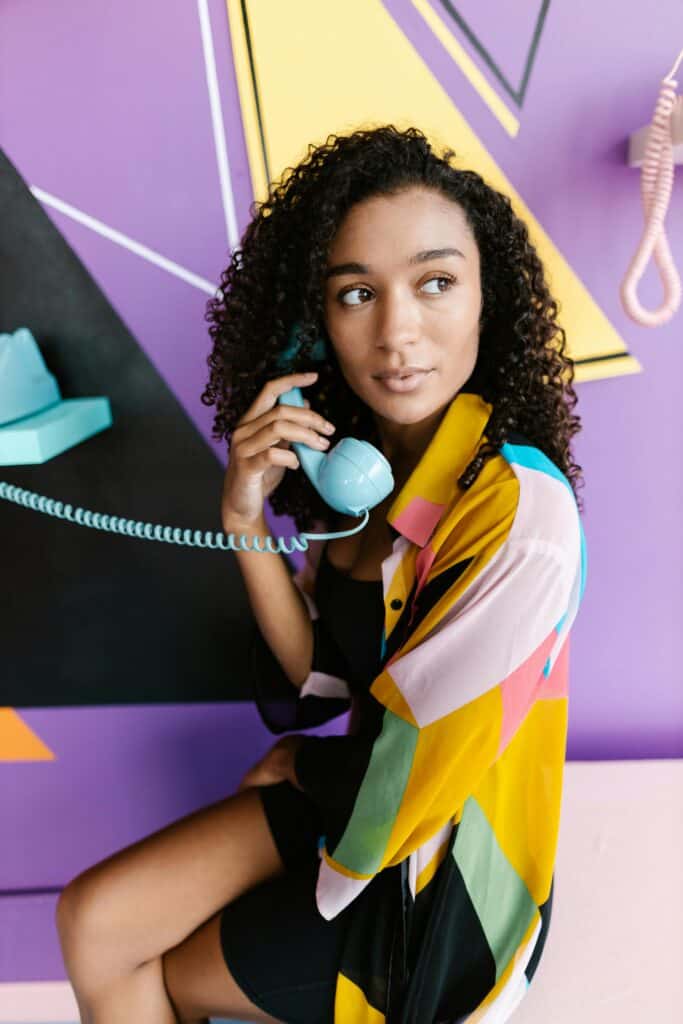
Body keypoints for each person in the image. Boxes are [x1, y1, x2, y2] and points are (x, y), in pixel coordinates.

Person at [56, 125, 587, 1024]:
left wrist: (301, 767)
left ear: (486, 299)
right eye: (355, 293)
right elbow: (315, 681)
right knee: (95, 919)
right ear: (316, 323)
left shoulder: (517, 513)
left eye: (435, 283)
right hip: (350, 800)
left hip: (431, 871)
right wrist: (241, 518)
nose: (396, 332)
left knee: (173, 974)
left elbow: (412, 766)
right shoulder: (368, 481)